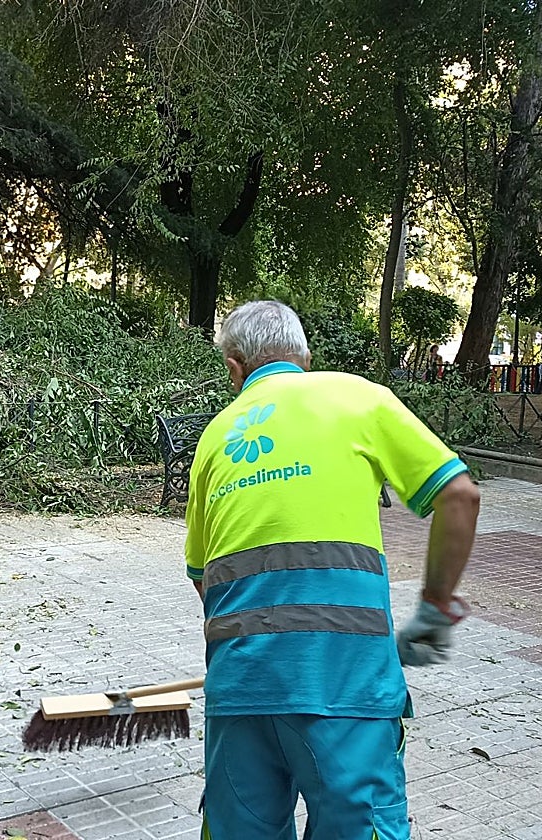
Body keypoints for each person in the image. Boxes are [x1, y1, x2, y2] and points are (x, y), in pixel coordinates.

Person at [183, 300, 480, 840]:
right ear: (305, 356)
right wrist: (434, 608)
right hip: (344, 686)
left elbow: (204, 575)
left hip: (239, 690)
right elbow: (458, 495)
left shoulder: (214, 438)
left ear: (234, 366)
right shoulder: (357, 397)